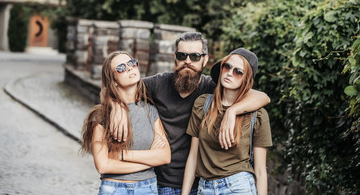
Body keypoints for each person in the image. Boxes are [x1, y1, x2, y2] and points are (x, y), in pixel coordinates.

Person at [110, 32, 271, 194]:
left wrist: (232, 111)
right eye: (182, 55)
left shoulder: (213, 88)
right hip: (158, 181)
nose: (187, 61)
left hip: (199, 184)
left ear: (205, 60)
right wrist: (117, 106)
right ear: (175, 57)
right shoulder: (158, 84)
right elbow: (117, 86)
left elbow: (262, 96)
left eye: (194, 56)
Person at [181, 48, 273, 195]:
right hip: (205, 187)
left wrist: (232, 111)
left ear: (246, 79)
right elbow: (193, 156)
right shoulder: (202, 105)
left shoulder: (258, 115)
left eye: (238, 72)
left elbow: (261, 170)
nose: (230, 73)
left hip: (239, 186)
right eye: (227, 66)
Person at [80, 51, 171, 195]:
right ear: (113, 80)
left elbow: (165, 156)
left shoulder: (150, 110)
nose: (129, 68)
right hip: (114, 188)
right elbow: (103, 166)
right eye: (121, 68)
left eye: (132, 63)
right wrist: (148, 160)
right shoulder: (102, 115)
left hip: (147, 188)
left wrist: (122, 155)